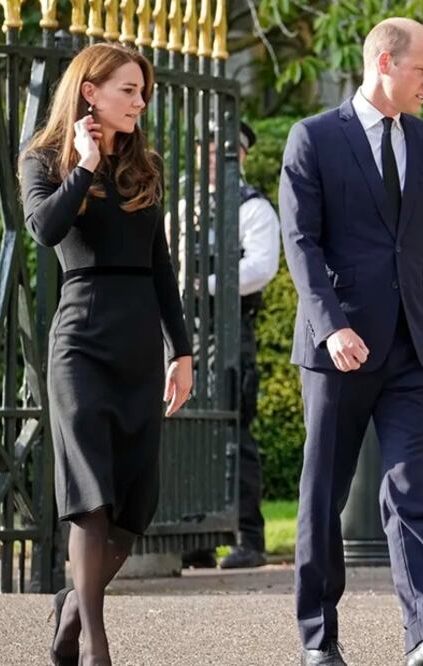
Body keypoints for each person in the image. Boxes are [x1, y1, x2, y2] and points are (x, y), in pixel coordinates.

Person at [279, 17, 423, 666]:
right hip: (339, 350)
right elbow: (301, 243)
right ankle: (319, 640)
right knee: (322, 498)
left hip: (415, 351)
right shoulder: (313, 138)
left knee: (405, 493)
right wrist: (330, 323)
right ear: (384, 64)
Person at [20, 43, 193, 666]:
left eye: (142, 92)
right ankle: (96, 642)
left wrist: (183, 349)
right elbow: (44, 230)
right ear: (91, 92)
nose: (139, 101)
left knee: (134, 500)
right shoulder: (43, 159)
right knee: (90, 492)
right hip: (80, 340)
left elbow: (160, 263)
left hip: (140, 341)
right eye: (128, 89)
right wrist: (86, 164)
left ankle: (72, 605)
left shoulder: (146, 166)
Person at [178, 121, 280, 570]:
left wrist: (208, 284)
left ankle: (249, 539)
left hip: (232, 326)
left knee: (234, 433)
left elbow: (261, 267)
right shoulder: (186, 203)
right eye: (209, 148)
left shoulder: (252, 207)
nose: (216, 156)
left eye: (226, 149)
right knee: (190, 430)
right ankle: (196, 535)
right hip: (189, 326)